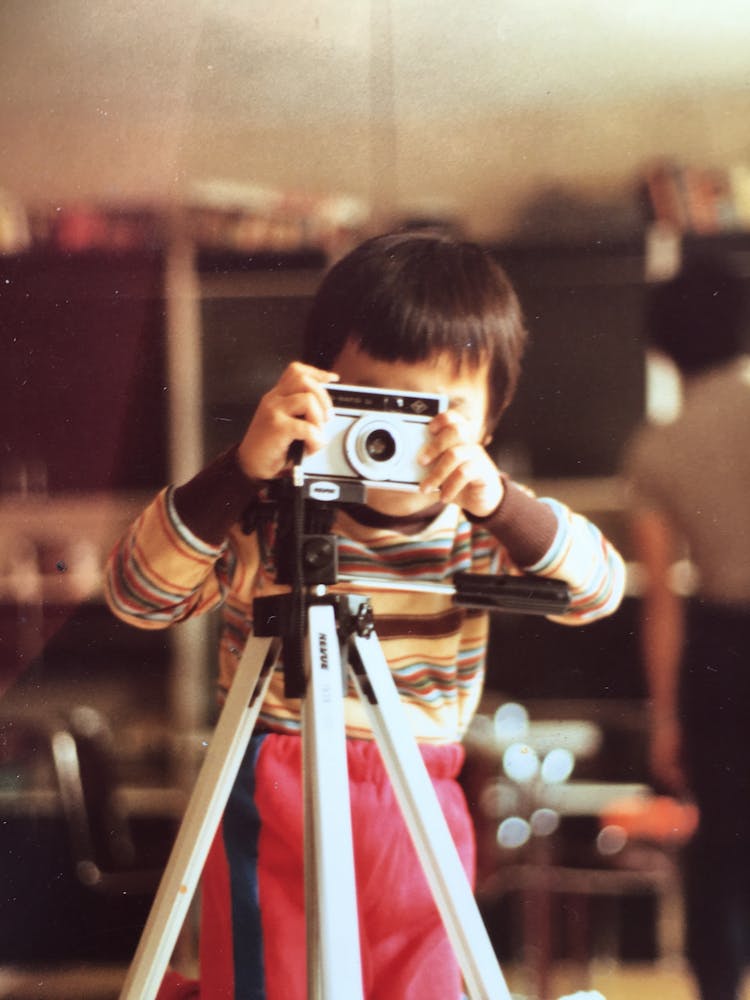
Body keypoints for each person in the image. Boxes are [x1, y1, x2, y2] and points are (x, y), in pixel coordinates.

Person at [105, 230, 626, 1000]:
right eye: (377, 406)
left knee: (418, 983)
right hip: (275, 782)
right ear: (314, 390)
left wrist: (499, 504)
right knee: (267, 982)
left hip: (422, 791)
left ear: (488, 424)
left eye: (435, 414)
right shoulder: (266, 517)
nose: (396, 441)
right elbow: (138, 594)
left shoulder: (472, 532)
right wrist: (240, 472)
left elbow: (597, 590)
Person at [622, 252, 750, 1000]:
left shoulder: (657, 448)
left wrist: (665, 714)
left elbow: (662, 598)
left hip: (722, 656)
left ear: (663, 345)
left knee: (722, 849)